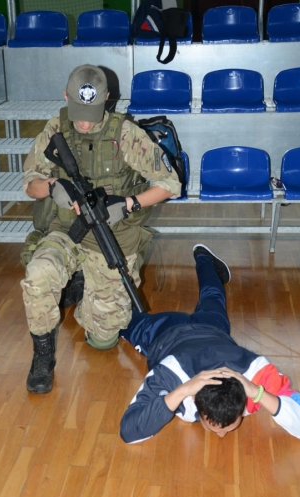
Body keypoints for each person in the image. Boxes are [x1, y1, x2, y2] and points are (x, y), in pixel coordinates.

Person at [21, 64, 181, 394]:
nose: (84, 121)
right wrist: (52, 186)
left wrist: (129, 204)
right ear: (66, 97)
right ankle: (42, 355)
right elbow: (29, 185)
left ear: (107, 99)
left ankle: (83, 284)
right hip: (65, 231)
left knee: (103, 340)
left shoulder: (126, 134)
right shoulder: (56, 128)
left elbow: (171, 184)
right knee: (38, 274)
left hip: (111, 237)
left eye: (92, 112)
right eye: (78, 111)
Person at [120, 244, 300, 443]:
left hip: (212, 330)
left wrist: (258, 392)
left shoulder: (259, 375)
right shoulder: (171, 375)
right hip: (163, 333)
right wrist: (182, 390)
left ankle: (203, 256)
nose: (222, 435)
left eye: (228, 427)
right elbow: (128, 431)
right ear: (194, 400)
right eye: (213, 428)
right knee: (119, 322)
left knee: (214, 294)